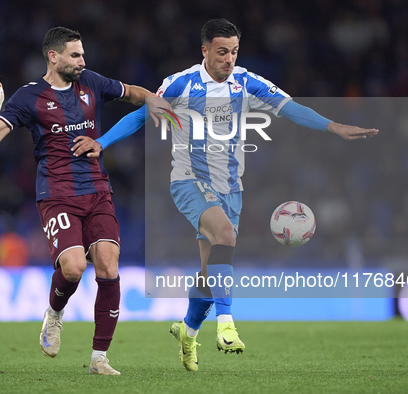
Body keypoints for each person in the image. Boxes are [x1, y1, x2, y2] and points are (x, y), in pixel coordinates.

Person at [75, 18, 378, 372]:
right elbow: (142, 116)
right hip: (189, 180)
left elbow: (291, 108)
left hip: (231, 188)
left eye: (234, 52)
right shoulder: (181, 84)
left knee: (209, 271)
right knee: (226, 235)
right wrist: (102, 142)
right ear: (205, 51)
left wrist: (334, 126)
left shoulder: (247, 83)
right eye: (222, 52)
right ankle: (227, 325)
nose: (229, 59)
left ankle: (187, 332)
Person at [0, 26, 168, 375]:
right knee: (74, 267)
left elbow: (131, 93)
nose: (83, 60)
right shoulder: (28, 97)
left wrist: (154, 100)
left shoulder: (92, 82)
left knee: (109, 266)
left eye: (83, 54)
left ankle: (99, 358)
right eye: (75, 55)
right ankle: (54, 313)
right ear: (53, 56)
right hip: (57, 194)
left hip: (97, 189)